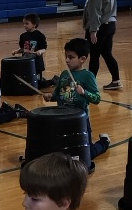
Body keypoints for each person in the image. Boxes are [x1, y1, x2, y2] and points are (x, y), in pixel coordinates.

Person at [44, 38, 110, 171]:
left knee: (87, 154)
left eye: (71, 57)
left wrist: (84, 92)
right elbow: (58, 94)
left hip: (80, 121)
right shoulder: (64, 74)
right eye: (66, 56)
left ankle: (104, 142)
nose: (67, 60)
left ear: (82, 59)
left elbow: (96, 98)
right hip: (62, 119)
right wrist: (50, 96)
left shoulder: (87, 76)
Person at [83, 0, 122, 90]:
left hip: (101, 27)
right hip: (110, 25)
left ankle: (90, 84)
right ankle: (116, 80)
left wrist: (93, 30)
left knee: (94, 55)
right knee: (106, 53)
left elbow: (95, 13)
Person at [13, 13, 52, 88]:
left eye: (27, 23)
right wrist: (17, 51)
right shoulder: (23, 36)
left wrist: (40, 51)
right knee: (28, 81)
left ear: (34, 24)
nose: (24, 25)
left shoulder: (39, 35)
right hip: (26, 62)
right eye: (24, 23)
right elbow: (23, 49)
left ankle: (53, 81)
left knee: (38, 85)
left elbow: (44, 48)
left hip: (36, 63)